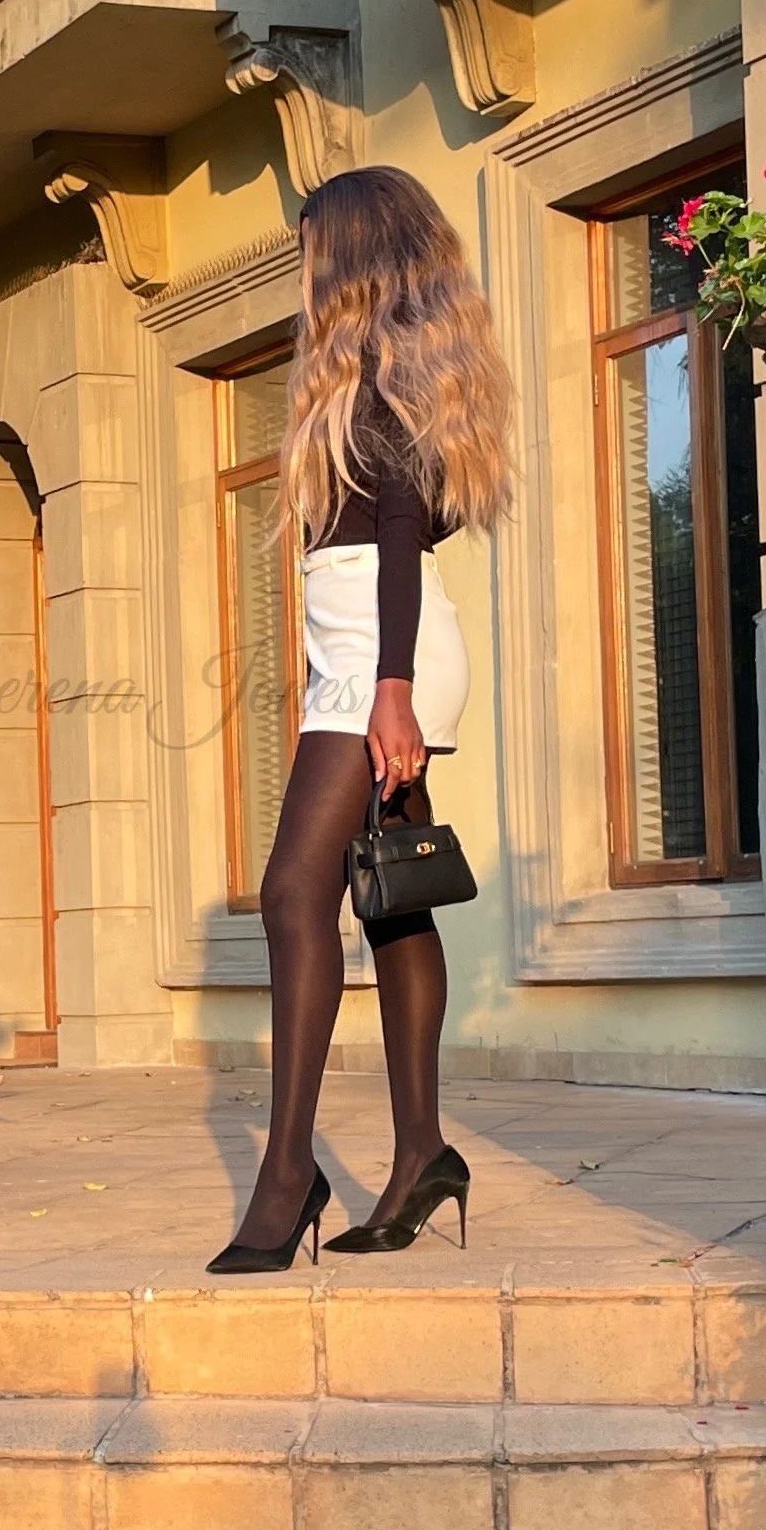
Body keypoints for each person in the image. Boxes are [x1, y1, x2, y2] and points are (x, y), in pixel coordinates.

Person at [210, 165, 513, 1273]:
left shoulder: (381, 367)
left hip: (388, 655)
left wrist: (385, 684)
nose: (299, 270)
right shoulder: (369, 372)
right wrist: (348, 670)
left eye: (307, 249)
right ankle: (423, 1151)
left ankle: (286, 1173)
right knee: (391, 893)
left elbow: (393, 529)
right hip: (363, 653)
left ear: (348, 253)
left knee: (296, 892)